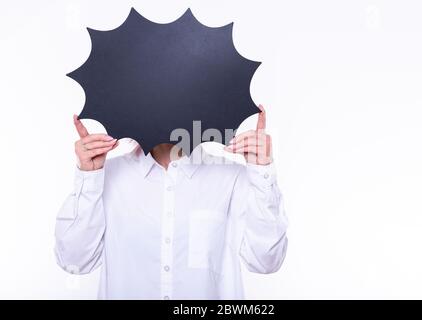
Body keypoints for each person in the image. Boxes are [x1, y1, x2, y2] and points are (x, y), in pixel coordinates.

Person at [54, 104, 288, 299]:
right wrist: (89, 177)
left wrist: (262, 172)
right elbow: (75, 261)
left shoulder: (230, 177)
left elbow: (266, 261)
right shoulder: (107, 176)